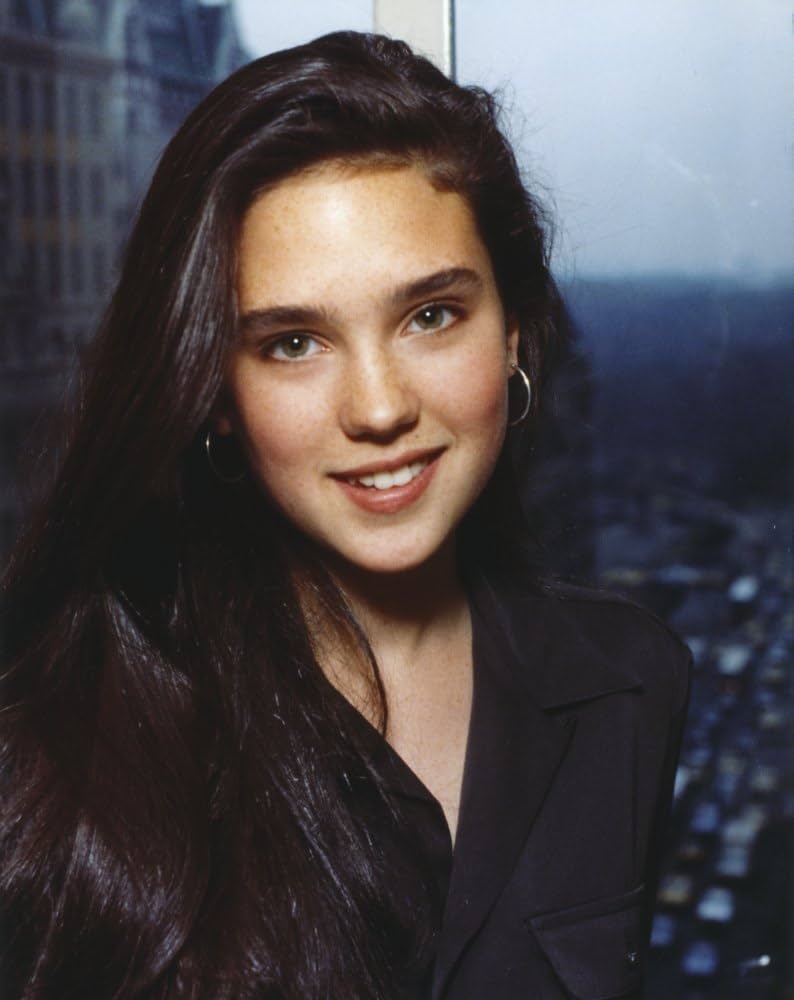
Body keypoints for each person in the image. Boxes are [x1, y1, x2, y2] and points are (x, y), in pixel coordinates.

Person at [0, 31, 690, 1000]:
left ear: (512, 331)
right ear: (216, 394)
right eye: (293, 342)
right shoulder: (60, 749)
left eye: (430, 315)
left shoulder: (631, 684)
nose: (377, 408)